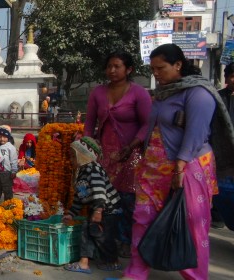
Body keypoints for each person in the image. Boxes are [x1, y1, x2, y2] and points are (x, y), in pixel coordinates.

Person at [121, 43, 233, 280]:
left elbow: (196, 133)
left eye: (160, 68)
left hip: (188, 168)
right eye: (152, 69)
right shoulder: (164, 93)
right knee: (142, 217)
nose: (156, 74)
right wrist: (135, 146)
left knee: (192, 224)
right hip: (153, 169)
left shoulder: (199, 93)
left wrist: (180, 167)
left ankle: (195, 276)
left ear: (178, 65)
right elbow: (153, 125)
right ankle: (136, 272)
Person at [83, 50, 152, 258]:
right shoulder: (98, 92)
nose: (112, 70)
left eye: (117, 66)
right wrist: (89, 144)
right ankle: (106, 239)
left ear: (128, 69)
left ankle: (128, 241)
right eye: (109, 66)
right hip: (105, 155)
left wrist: (131, 147)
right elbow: (89, 124)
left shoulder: (139, 93)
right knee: (104, 200)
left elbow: (148, 124)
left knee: (129, 201)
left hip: (132, 155)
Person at [63, 137, 122, 274]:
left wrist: (99, 210)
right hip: (97, 208)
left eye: (73, 155)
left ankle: (112, 261)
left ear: (83, 155)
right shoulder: (81, 172)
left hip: (107, 209)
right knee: (88, 231)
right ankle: (84, 263)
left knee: (103, 236)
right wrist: (71, 214)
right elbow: (80, 197)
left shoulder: (92, 168)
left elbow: (99, 189)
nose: (71, 159)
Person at [212, 62, 234, 229]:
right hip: (221, 154)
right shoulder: (217, 98)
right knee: (222, 193)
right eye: (232, 76)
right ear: (226, 78)